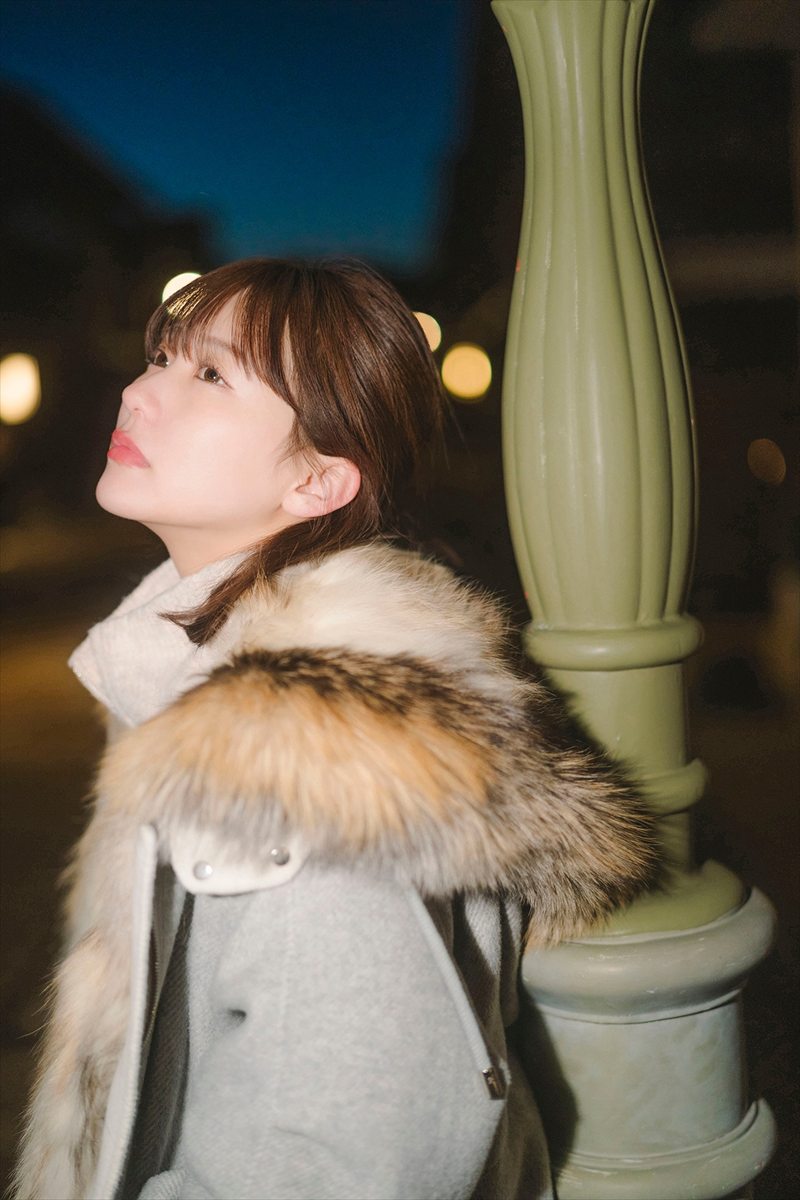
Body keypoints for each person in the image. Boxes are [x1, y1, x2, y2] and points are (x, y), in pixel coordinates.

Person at [13, 258, 657, 1200]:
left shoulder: (315, 759)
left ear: (318, 482)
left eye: (211, 374)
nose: (139, 392)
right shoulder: (194, 681)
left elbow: (339, 1163)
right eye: (162, 356)